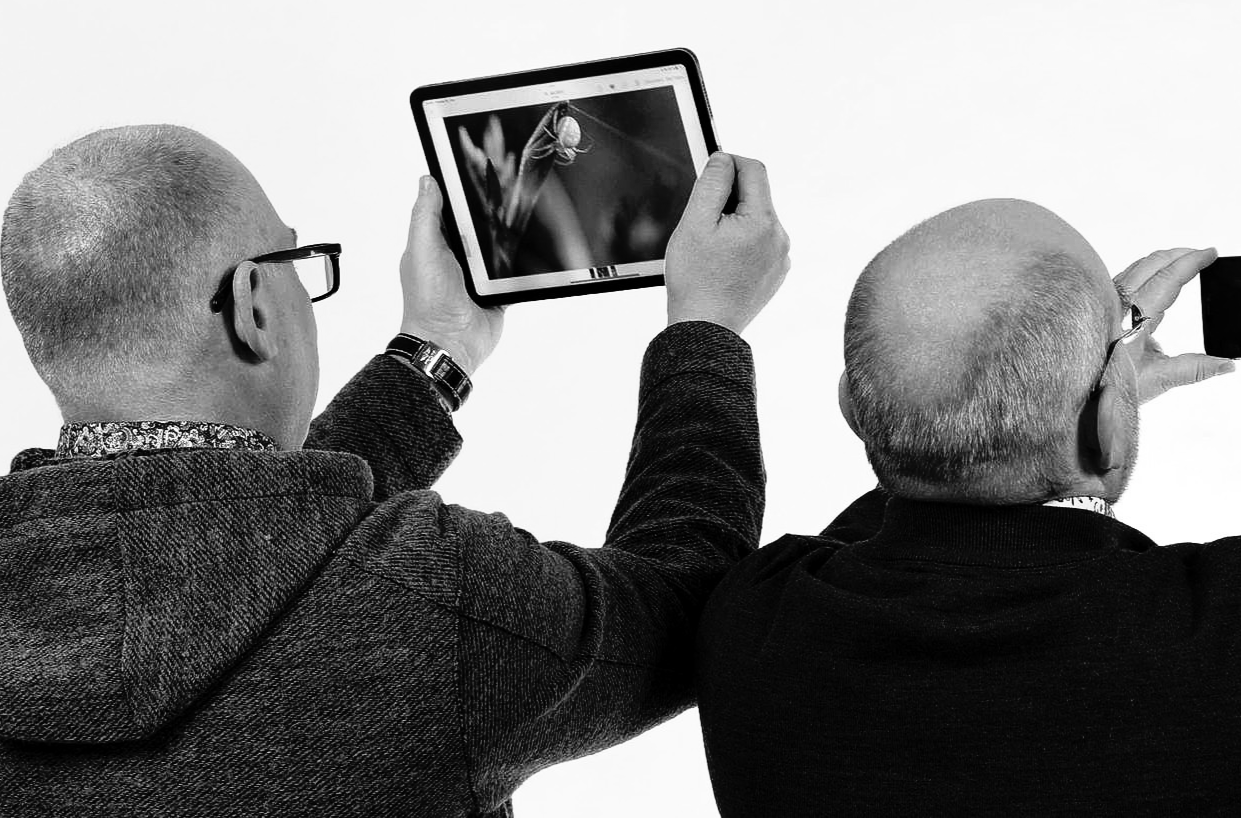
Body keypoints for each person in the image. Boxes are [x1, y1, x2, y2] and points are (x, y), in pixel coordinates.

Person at [0, 124, 790, 816]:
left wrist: (436, 349)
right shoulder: (437, 604)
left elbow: (242, 533)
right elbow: (682, 601)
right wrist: (706, 328)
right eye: (294, 263)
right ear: (252, 306)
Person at [694, 198, 1241, 817]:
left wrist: (1082, 404)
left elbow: (919, 492)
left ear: (851, 407)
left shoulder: (748, 633)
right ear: (1104, 422)